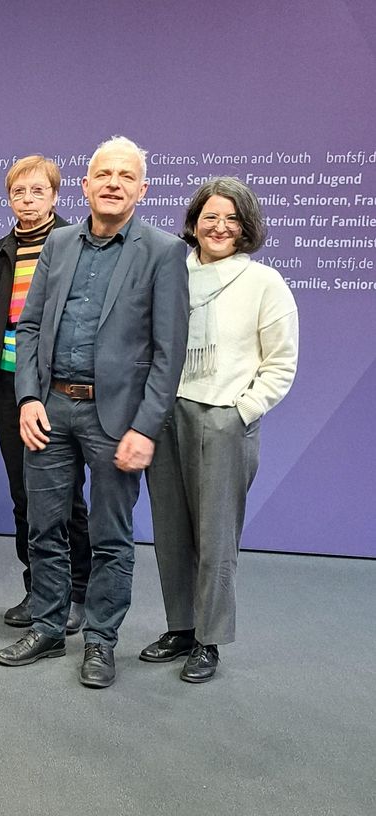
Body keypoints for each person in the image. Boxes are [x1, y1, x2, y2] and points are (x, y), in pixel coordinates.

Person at [0, 136, 188, 689]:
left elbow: (168, 352)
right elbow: (28, 326)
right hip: (51, 409)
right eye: (104, 174)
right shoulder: (57, 243)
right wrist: (28, 397)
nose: (113, 184)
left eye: (126, 176)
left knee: (110, 537)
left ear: (142, 189)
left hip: (118, 419)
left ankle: (101, 640)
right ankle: (48, 626)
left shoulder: (163, 252)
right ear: (85, 185)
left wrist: (145, 427)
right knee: (44, 527)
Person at [142, 177, 298, 683]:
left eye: (232, 219)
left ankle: (209, 640)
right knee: (170, 532)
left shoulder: (264, 283)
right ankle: (181, 628)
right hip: (168, 416)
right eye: (210, 216)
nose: (220, 227)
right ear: (193, 222)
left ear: (246, 227)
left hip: (224, 419)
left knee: (215, 538)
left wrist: (241, 411)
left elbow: (281, 363)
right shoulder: (171, 273)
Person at [0, 156, 92, 634]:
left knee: (65, 495)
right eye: (18, 192)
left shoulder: (75, 243)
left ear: (55, 195)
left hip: (56, 383)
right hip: (10, 383)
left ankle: (77, 591)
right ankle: (39, 589)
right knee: (23, 492)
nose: (27, 200)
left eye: (37, 191)